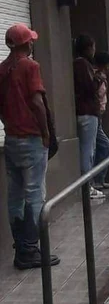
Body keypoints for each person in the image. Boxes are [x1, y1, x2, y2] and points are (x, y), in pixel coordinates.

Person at [0, 24, 60, 269]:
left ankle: (20, 246)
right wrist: (45, 132)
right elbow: (37, 101)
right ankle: (30, 250)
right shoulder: (30, 66)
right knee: (35, 193)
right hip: (31, 139)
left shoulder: (1, 70)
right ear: (25, 43)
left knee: (15, 193)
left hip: (12, 139)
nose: (33, 43)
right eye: (31, 40)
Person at [73, 34, 104, 199]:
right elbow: (89, 88)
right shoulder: (82, 64)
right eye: (93, 47)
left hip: (85, 113)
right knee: (88, 151)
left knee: (89, 149)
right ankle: (87, 186)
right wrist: (98, 79)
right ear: (87, 48)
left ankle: (88, 185)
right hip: (87, 113)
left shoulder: (82, 64)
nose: (94, 51)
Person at [92, 52, 109, 191]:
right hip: (93, 116)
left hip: (98, 117)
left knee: (100, 147)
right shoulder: (96, 78)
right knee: (105, 146)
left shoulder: (102, 78)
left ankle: (99, 180)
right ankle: (96, 180)